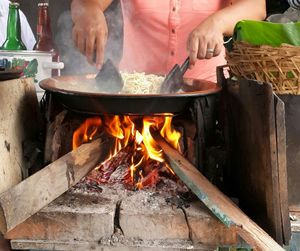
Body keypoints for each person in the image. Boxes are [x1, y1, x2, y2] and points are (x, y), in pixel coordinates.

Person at [71, 0, 266, 82]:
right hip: (137, 96)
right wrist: (89, 12)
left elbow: (256, 6)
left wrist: (217, 23)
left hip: (206, 95)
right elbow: (85, 3)